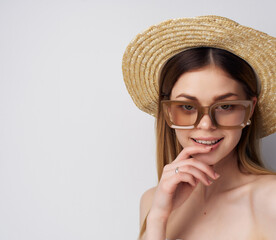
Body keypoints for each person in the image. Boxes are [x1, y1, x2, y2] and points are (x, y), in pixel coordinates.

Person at [122, 16, 276, 240]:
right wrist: (157, 219)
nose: (206, 124)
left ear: (249, 110)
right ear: (167, 112)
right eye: (187, 106)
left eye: (225, 106)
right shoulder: (152, 201)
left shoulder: (271, 199)